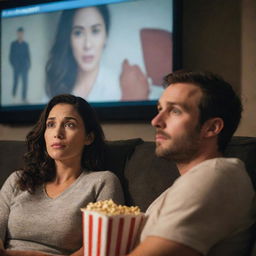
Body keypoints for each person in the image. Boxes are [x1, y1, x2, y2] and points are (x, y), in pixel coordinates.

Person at [127, 70, 255, 256]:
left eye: (175, 111)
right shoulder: (178, 189)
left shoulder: (216, 174)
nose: (156, 121)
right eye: (159, 109)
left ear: (211, 127)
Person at [0, 94, 124, 256]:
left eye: (69, 125)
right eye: (51, 124)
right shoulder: (18, 180)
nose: (57, 133)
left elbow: (100, 248)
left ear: (89, 137)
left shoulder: (102, 182)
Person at [45, 6, 160, 102]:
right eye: (78, 33)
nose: (87, 45)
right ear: (68, 39)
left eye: (95, 31)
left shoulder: (121, 86)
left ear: (105, 36)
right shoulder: (55, 87)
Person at [9, 27, 31, 102]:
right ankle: (14, 97)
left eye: (22, 33)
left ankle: (24, 98)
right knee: (16, 81)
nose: (20, 34)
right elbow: (11, 56)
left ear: (23, 34)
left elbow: (28, 56)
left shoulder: (25, 44)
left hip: (24, 66)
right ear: (17, 33)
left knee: (25, 83)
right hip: (16, 67)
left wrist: (28, 65)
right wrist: (14, 65)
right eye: (19, 33)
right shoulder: (13, 44)